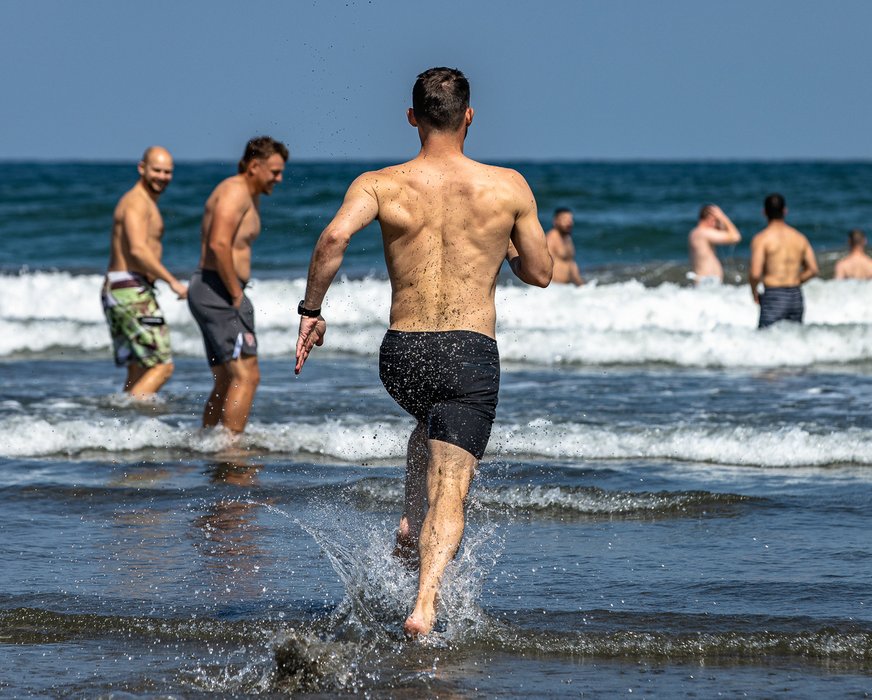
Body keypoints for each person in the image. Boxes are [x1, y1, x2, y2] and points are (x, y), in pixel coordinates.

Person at [293, 67, 552, 638]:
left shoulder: (380, 183)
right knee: (453, 481)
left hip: (403, 354)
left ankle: (411, 523)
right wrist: (507, 249)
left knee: (430, 433)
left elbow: (333, 238)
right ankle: (425, 605)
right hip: (468, 351)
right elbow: (541, 272)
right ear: (469, 116)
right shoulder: (508, 186)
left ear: (412, 117)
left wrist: (310, 311)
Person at [187, 136, 288, 434]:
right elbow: (219, 244)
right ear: (254, 166)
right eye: (274, 171)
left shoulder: (247, 193)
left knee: (227, 378)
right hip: (219, 289)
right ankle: (231, 452)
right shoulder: (235, 191)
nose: (279, 179)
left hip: (211, 287)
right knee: (247, 376)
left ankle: (209, 443)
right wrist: (235, 294)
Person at [101, 146, 187, 398]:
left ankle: (128, 429)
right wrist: (172, 282)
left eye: (167, 172)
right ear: (142, 168)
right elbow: (138, 250)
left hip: (122, 289)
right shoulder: (136, 202)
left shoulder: (143, 201)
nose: (162, 176)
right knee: (162, 366)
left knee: (138, 368)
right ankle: (125, 426)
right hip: (130, 289)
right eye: (157, 170)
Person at [749, 193, 819, 328]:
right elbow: (813, 269)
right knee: (794, 338)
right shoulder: (799, 237)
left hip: (773, 294)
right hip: (795, 295)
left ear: (764, 212)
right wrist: (797, 280)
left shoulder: (761, 239)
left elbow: (755, 274)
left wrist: (754, 292)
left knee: (767, 338)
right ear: (785, 211)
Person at [687, 204, 741, 285]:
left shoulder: (696, 233)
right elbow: (736, 237)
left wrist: (719, 220)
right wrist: (722, 216)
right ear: (710, 218)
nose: (716, 223)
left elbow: (722, 231)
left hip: (706, 283)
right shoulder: (703, 232)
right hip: (707, 282)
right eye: (716, 220)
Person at [546, 207, 584, 285]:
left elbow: (571, 264)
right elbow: (545, 265)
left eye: (570, 219)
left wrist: (581, 285)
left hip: (567, 288)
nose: (569, 222)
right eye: (565, 219)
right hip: (553, 288)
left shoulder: (568, 238)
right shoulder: (551, 238)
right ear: (555, 221)